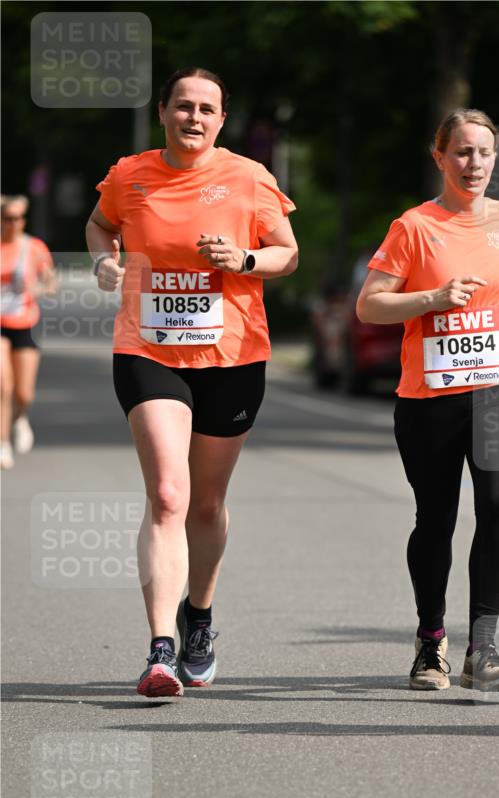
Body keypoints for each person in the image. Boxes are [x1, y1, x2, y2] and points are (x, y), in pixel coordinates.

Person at [86, 67, 298, 697]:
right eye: (183, 106)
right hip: (148, 350)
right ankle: (159, 650)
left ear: (222, 120)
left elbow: (288, 251)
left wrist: (246, 259)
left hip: (232, 356)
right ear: (163, 113)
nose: (194, 117)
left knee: (205, 503)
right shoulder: (131, 174)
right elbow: (101, 223)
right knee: (169, 496)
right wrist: (104, 256)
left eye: (207, 109)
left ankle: (198, 617)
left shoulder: (248, 177)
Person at [356, 109, 499, 694]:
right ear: (439, 158)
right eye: (461, 152)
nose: (474, 163)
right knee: (436, 519)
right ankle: (431, 642)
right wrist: (432, 297)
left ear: (496, 157)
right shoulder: (413, 227)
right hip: (431, 395)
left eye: (484, 152)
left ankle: (482, 646)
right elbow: (369, 305)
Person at [1, 194, 57, 470]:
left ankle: (20, 417)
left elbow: (50, 283)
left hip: (25, 323)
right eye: (7, 218)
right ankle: (3, 444)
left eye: (18, 218)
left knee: (24, 393)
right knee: (2, 385)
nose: (13, 223)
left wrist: (33, 289)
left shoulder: (33, 247)